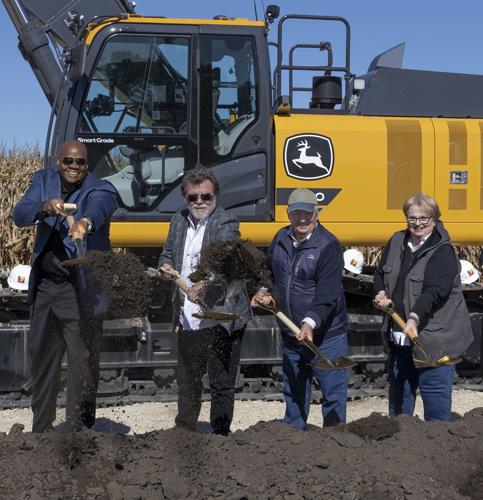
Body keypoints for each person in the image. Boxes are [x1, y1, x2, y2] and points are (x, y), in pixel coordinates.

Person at [13, 140, 118, 432]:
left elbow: (100, 207)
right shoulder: (42, 180)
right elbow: (20, 214)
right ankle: (42, 430)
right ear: (59, 161)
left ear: (87, 165)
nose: (74, 167)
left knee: (81, 362)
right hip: (47, 287)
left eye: (80, 163)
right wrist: (45, 208)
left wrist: (84, 222)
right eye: (68, 161)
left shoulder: (101, 188)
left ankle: (79, 431)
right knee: (43, 358)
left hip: (80, 289)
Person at [158, 167, 250, 435]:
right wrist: (165, 266)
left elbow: (222, 260)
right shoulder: (178, 221)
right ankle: (185, 433)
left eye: (205, 197)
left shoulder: (226, 222)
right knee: (188, 379)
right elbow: (167, 253)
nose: (199, 202)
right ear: (186, 198)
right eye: (193, 197)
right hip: (189, 315)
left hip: (221, 313)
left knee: (221, 381)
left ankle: (220, 437)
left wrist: (204, 281)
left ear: (216, 195)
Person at [252, 188, 348, 430]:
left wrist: (310, 322)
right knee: (294, 392)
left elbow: (329, 292)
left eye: (308, 213)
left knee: (333, 395)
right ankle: (294, 441)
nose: (302, 219)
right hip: (292, 333)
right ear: (289, 214)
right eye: (297, 214)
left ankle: (335, 441)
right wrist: (263, 290)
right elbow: (270, 272)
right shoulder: (280, 238)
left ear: (316, 213)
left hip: (325, 336)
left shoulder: (329, 246)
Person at [373, 192, 473, 421]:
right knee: (399, 397)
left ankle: (436, 443)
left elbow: (433, 292)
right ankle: (401, 441)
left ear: (435, 219)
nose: (417, 223)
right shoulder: (397, 240)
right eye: (412, 218)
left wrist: (414, 318)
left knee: (435, 396)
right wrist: (380, 291)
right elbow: (380, 272)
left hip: (434, 340)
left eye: (423, 218)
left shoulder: (443, 252)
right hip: (400, 336)